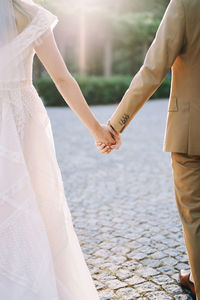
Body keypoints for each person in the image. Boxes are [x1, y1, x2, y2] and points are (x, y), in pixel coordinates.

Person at [0, 0, 120, 299]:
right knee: (31, 202)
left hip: (19, 119)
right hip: (20, 119)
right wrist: (98, 129)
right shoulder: (30, 15)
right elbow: (62, 78)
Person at [97, 0, 200, 298]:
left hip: (192, 135)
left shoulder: (185, 4)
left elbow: (153, 69)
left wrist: (115, 125)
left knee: (195, 216)